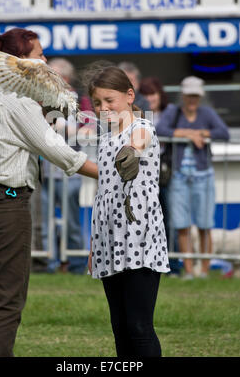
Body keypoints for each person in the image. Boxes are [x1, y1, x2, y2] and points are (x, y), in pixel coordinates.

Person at [0, 28, 98, 357]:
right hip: (4, 202)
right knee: (8, 298)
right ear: (21, 62)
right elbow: (60, 153)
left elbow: (20, 138)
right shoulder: (18, 100)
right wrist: (110, 173)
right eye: (39, 54)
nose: (44, 60)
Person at [86, 65, 170, 357]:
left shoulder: (142, 127)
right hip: (110, 239)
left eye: (110, 100)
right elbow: (104, 195)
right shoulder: (106, 137)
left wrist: (131, 152)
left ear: (130, 95)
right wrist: (95, 243)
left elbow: (139, 142)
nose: (104, 108)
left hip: (140, 239)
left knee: (139, 326)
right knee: (119, 326)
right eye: (97, 103)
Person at [156, 76, 230, 279]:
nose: (191, 100)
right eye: (189, 96)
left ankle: (204, 270)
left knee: (205, 224)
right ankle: (188, 270)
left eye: (195, 96)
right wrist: (188, 134)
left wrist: (202, 133)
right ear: (183, 95)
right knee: (182, 224)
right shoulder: (173, 112)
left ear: (200, 96)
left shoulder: (206, 113)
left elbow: (223, 133)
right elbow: (160, 129)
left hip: (203, 175)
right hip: (179, 176)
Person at [41, 57, 87, 274]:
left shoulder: (79, 101)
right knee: (46, 221)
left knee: (71, 223)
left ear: (65, 78)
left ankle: (76, 265)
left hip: (70, 170)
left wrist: (58, 125)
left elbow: (84, 130)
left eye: (53, 74)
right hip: (47, 170)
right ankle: (50, 264)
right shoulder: (43, 98)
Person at [140, 77, 180, 276]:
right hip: (144, 173)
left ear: (160, 94)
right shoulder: (140, 114)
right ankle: (153, 262)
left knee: (170, 218)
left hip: (165, 172)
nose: (150, 98)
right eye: (146, 94)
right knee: (150, 220)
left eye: (153, 94)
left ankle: (174, 264)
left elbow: (161, 131)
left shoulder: (170, 110)